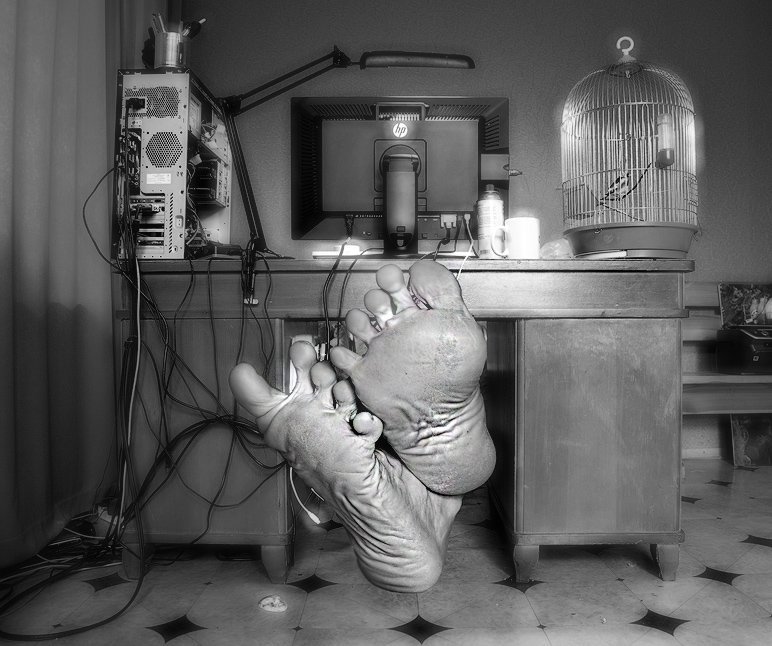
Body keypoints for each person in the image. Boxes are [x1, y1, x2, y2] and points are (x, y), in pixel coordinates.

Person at [229, 260, 495, 592]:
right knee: (376, 424)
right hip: (429, 453)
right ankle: (453, 464)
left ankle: (416, 495)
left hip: (393, 446)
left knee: (363, 417)